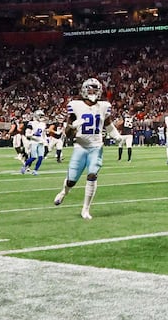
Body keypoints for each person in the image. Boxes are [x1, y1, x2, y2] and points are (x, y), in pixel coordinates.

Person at [53, 78, 122, 220]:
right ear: (84, 91)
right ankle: (64, 192)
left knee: (92, 175)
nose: (93, 93)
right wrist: (72, 128)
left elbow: (108, 124)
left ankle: (85, 209)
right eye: (90, 90)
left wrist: (116, 135)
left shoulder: (104, 106)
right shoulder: (75, 105)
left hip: (96, 147)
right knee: (71, 180)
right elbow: (67, 133)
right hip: (80, 147)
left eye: (96, 90)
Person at [21, 109, 48, 175]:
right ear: (36, 116)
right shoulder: (31, 123)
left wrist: (45, 140)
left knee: (41, 157)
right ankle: (24, 166)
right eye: (40, 116)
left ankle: (35, 170)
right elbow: (27, 134)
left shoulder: (43, 124)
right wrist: (33, 134)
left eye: (42, 116)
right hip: (34, 141)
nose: (41, 117)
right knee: (34, 157)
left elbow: (43, 134)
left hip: (41, 142)